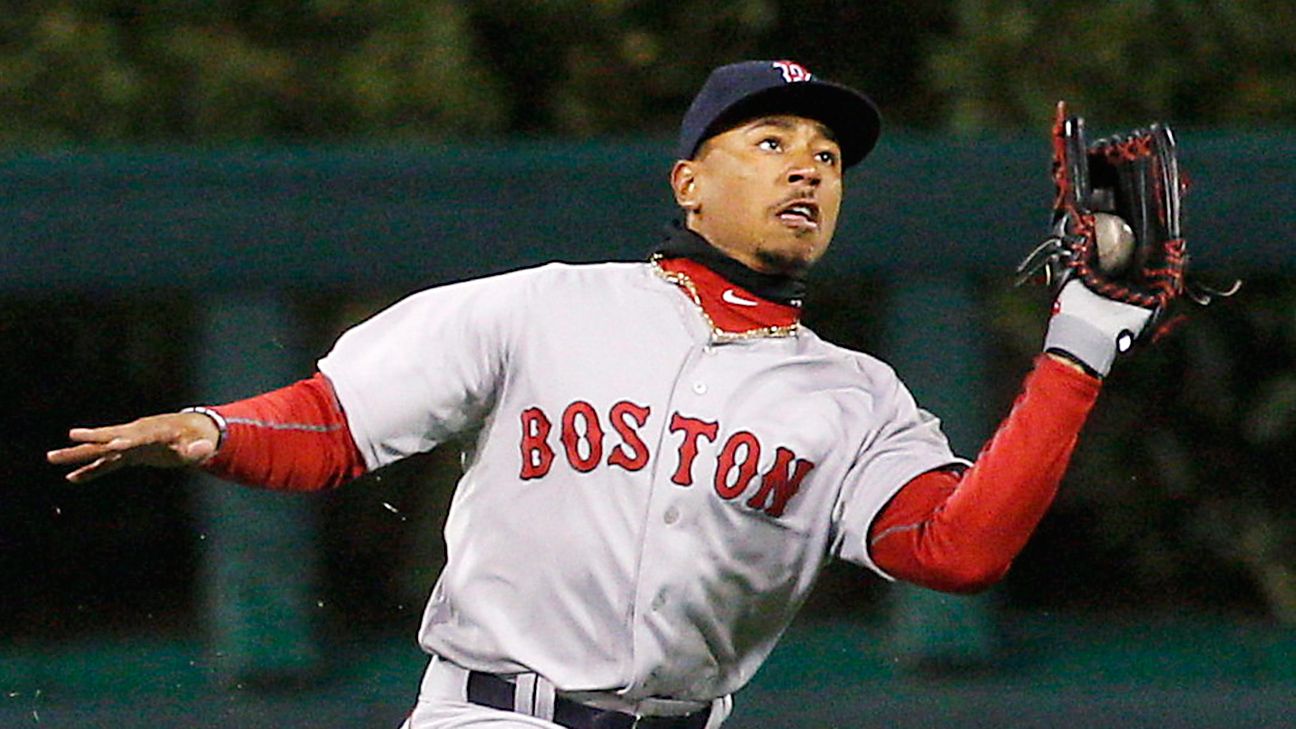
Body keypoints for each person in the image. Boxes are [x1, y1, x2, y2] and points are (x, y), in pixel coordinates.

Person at [48, 60, 1146, 729]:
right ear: (690, 182)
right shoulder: (543, 309)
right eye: (770, 143)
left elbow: (957, 550)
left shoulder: (856, 398)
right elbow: (336, 424)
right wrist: (211, 429)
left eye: (828, 157)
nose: (808, 169)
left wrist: (1082, 343)